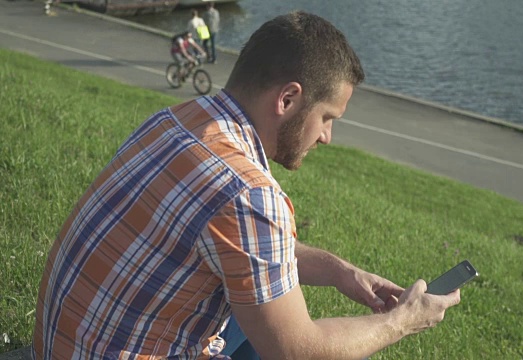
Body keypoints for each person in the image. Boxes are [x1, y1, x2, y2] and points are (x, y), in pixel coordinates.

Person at [31, 11, 461, 360]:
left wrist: (338, 271)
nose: (327, 136)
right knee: (288, 335)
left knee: (263, 302)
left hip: (62, 346)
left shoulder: (176, 120)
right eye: (327, 117)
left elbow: (238, 246)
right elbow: (298, 352)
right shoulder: (248, 193)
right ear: (287, 99)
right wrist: (402, 320)